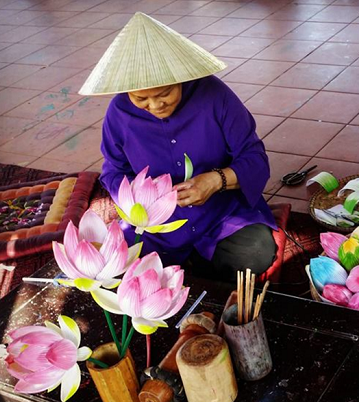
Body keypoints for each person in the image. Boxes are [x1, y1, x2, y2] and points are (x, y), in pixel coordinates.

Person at [80, 13, 277, 281]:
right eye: (141, 98)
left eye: (164, 94)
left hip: (220, 214)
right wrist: (140, 198)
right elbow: (114, 170)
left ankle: (199, 264)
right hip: (156, 224)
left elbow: (255, 159)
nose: (155, 105)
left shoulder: (215, 96)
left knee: (254, 255)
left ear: (180, 78)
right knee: (115, 266)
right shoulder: (119, 113)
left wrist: (215, 181)